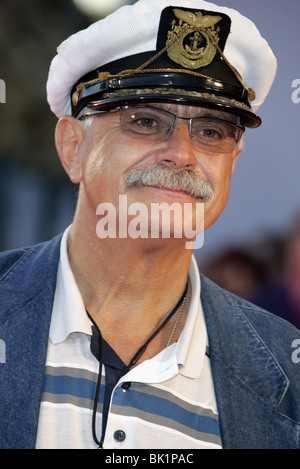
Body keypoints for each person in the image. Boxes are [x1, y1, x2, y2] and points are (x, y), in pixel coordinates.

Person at [0, 0, 299, 450]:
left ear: (233, 163)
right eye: (144, 121)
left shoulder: (288, 373)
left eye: (212, 132)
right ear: (72, 148)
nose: (182, 153)